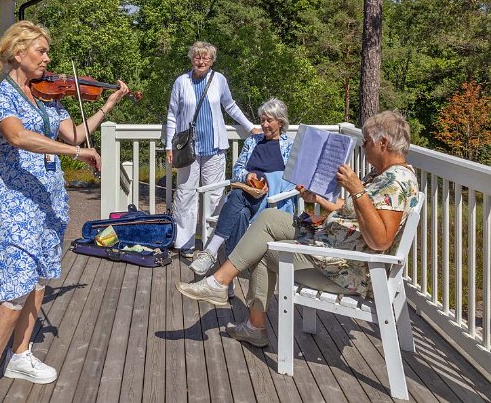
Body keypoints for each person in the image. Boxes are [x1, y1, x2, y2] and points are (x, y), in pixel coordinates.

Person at [0, 20, 130, 403]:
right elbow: (18, 137)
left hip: (49, 199)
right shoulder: (1, 96)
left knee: (38, 279)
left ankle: (20, 355)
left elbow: (73, 135)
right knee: (12, 288)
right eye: (41, 51)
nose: (47, 58)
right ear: (17, 53)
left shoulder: (49, 98)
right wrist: (77, 153)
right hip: (16, 203)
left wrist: (106, 104)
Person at [176, 111, 419, 348]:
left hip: (343, 268)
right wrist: (320, 200)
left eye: (366, 142)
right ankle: (223, 286)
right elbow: (353, 211)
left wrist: (357, 189)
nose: (364, 148)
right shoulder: (383, 175)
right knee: (270, 217)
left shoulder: (395, 182)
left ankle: (243, 312)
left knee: (262, 248)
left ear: (383, 143)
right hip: (329, 243)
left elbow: (380, 241)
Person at [165, 41, 260, 258]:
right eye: (197, 57)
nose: (201, 61)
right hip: (187, 148)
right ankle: (185, 243)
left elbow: (230, 106)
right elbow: (172, 114)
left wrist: (249, 127)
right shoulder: (181, 82)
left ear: (212, 60)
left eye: (205, 58)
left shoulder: (219, 80)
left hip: (214, 148)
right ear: (191, 59)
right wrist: (169, 144)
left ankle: (211, 245)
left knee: (215, 196)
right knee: (185, 194)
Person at [189, 98, 296, 279]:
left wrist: (268, 182)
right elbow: (238, 168)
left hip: (271, 202)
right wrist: (247, 176)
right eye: (262, 120)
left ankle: (212, 252)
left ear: (280, 122)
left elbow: (292, 181)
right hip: (248, 195)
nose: (264, 124)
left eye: (269, 120)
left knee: (236, 196)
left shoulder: (289, 146)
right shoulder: (253, 141)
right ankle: (227, 279)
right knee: (239, 212)